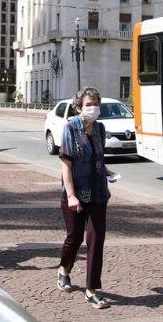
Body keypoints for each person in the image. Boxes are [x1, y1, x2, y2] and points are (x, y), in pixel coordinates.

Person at [57, 87, 116, 310]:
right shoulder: (71, 127)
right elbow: (66, 164)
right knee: (74, 238)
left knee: (96, 240)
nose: (94, 108)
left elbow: (97, 158)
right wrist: (71, 195)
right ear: (79, 107)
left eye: (96, 104)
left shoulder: (100, 129)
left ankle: (91, 290)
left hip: (99, 193)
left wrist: (108, 172)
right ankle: (64, 269)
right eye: (89, 104)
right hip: (76, 193)